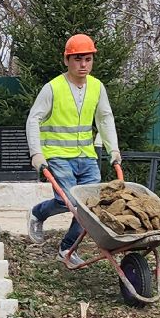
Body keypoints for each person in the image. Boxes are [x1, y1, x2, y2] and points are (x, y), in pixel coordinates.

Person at [26, 33, 121, 257]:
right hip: (57, 154)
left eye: (88, 59)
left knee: (90, 205)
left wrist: (114, 149)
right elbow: (33, 119)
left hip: (86, 155)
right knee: (67, 200)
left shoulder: (97, 87)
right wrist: (36, 153)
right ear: (66, 60)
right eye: (78, 59)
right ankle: (37, 213)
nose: (83, 64)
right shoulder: (53, 88)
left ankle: (68, 248)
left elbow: (105, 119)